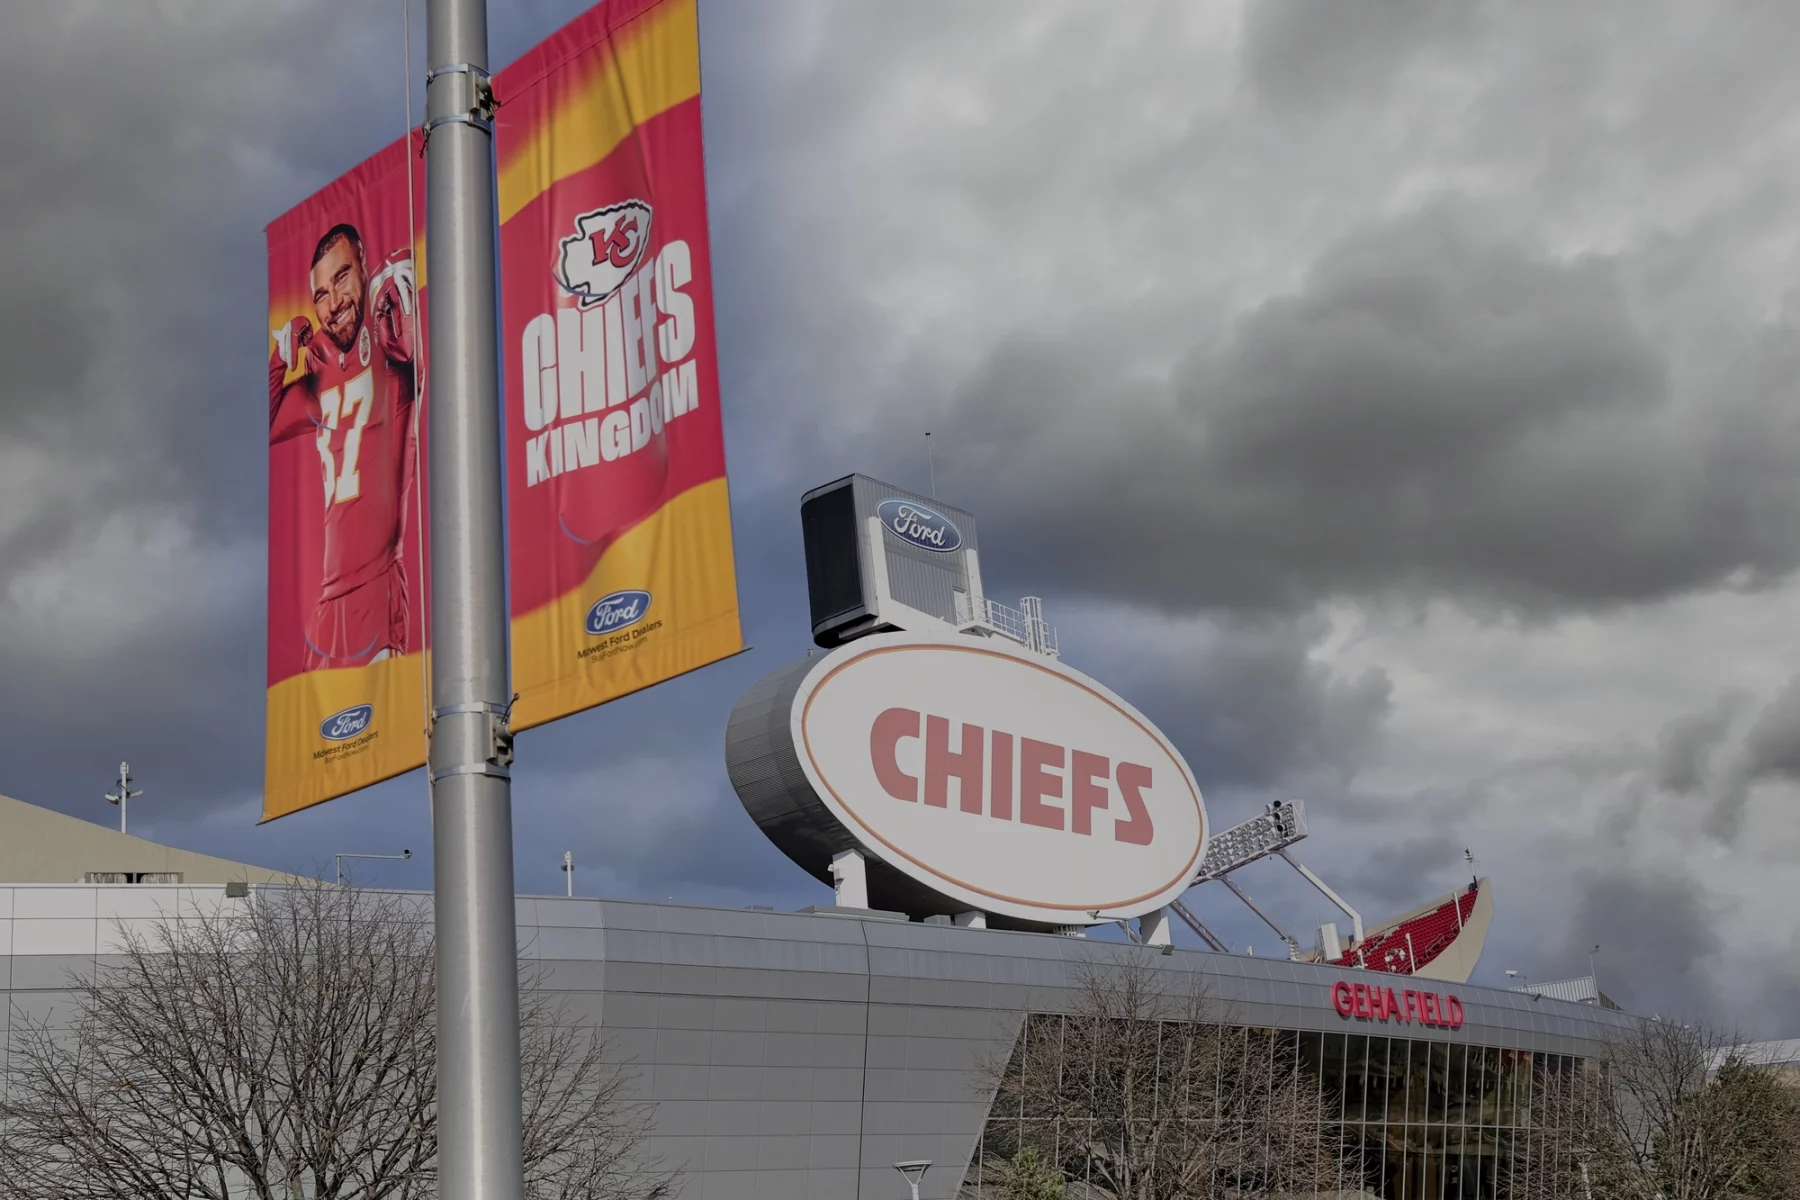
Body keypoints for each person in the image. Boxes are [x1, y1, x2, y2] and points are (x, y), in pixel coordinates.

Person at [269, 222, 418, 668]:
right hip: (325, 606)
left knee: (389, 732)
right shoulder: (320, 370)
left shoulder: (388, 333)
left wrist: (398, 285)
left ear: (364, 269)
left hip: (378, 588)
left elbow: (409, 352)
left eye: (341, 278)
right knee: (319, 738)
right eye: (320, 294)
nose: (333, 304)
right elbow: (267, 421)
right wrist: (279, 358)